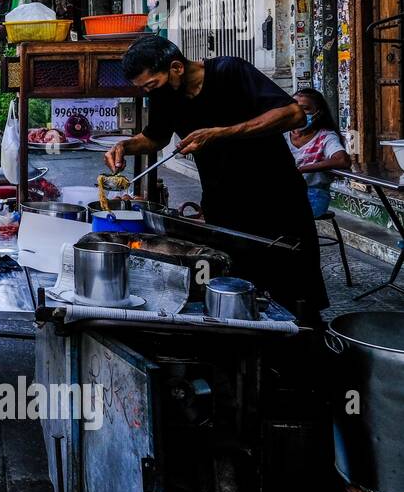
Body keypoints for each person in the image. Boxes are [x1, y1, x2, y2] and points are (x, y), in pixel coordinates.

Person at [104, 36, 328, 321]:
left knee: (295, 286)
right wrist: (124, 146)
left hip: (276, 195)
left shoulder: (230, 72)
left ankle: (309, 346)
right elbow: (155, 138)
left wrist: (220, 132)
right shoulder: (166, 95)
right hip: (222, 201)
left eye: (152, 84)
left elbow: (294, 114)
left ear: (176, 68)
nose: (151, 92)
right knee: (235, 286)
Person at [287, 87, 351, 218]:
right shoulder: (282, 134)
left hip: (314, 195)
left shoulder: (326, 136)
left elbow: (342, 160)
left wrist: (301, 169)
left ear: (318, 112)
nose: (298, 112)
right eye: (294, 108)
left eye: (305, 108)